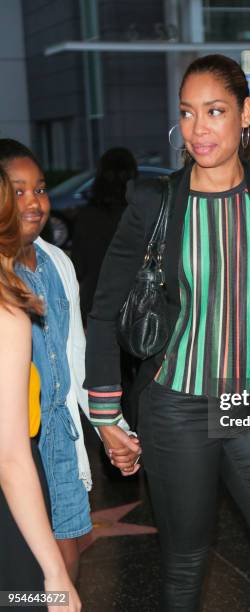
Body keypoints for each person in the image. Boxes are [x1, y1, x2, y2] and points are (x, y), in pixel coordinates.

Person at [85, 54, 250, 611]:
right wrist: (107, 415)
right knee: (185, 564)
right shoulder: (155, 202)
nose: (198, 129)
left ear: (244, 114)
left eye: (214, 111)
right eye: (188, 113)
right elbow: (104, 311)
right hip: (175, 407)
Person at [0, 166, 81, 611]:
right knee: (24, 598)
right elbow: (10, 455)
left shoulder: (52, 268)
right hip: (11, 508)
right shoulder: (7, 309)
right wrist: (55, 576)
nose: (31, 204)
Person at [71, 147, 138, 324]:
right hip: (133, 307)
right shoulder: (139, 215)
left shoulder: (87, 216)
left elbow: (79, 266)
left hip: (95, 304)